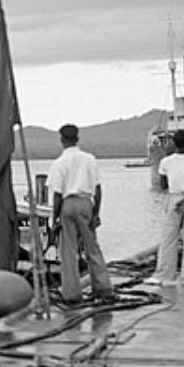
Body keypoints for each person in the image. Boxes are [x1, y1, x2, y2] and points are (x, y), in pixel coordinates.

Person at [47, 123, 114, 304]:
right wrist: (96, 213)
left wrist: (55, 218)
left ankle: (72, 294)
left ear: (62, 140)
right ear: (77, 138)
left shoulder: (59, 163)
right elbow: (98, 189)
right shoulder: (89, 159)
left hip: (68, 205)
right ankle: (103, 289)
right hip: (86, 203)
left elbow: (57, 195)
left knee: (68, 251)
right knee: (92, 247)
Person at [145, 129, 184, 286]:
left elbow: (163, 185)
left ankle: (164, 275)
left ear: (174, 144)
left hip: (173, 199)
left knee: (168, 239)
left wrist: (178, 198)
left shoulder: (166, 162)